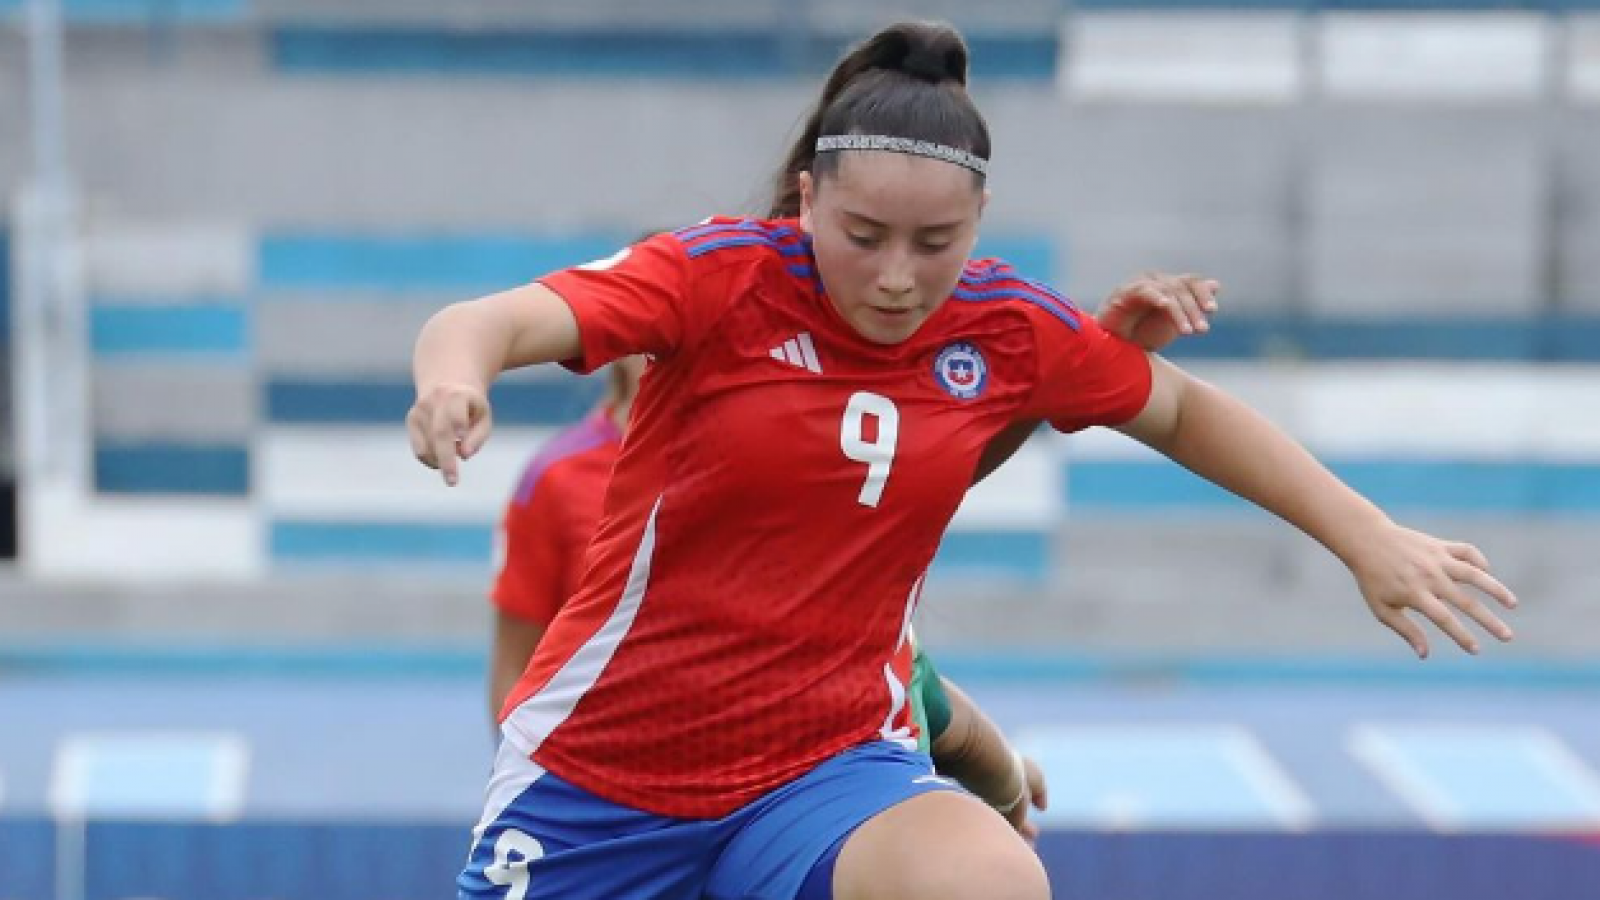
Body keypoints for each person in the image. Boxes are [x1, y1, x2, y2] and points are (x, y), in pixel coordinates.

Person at [410, 20, 1518, 900]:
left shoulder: (1004, 329)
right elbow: (488, 317)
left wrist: (1365, 536)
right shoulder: (713, 279)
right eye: (863, 237)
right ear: (807, 199)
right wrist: (454, 377)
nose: (897, 276)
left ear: (980, 217)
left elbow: (1178, 414)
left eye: (934, 245)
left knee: (989, 881)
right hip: (608, 783)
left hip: (821, 768)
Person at [486, 278, 1215, 844]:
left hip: (780, 796)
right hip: (611, 783)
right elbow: (519, 655)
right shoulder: (559, 481)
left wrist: (1008, 789)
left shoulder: (792, 464)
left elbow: (921, 688)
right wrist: (538, 788)